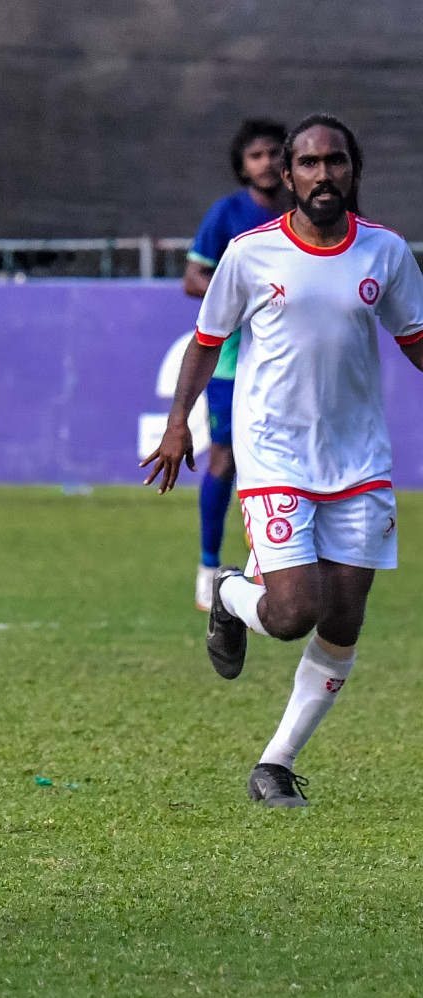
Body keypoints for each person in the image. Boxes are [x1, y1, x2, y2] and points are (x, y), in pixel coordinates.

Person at [143, 114, 423, 807]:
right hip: (275, 456)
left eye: (334, 162)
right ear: (288, 175)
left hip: (359, 460)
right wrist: (179, 422)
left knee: (345, 618)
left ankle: (276, 763)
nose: (321, 174)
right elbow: (207, 340)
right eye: (308, 163)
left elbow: (415, 338)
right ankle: (235, 598)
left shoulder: (385, 253)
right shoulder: (250, 252)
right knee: (295, 611)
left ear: (352, 170)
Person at [182, 118, 291, 610]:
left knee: (285, 460)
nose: (267, 162)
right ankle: (209, 566)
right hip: (232, 363)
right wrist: (243, 298)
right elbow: (192, 279)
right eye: (256, 155)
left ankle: (269, 564)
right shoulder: (227, 214)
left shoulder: (305, 212)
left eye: (275, 152)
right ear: (242, 165)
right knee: (225, 459)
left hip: (290, 361)